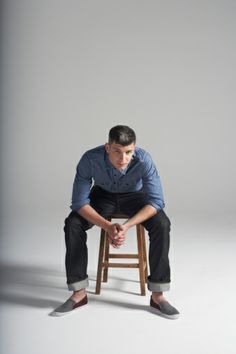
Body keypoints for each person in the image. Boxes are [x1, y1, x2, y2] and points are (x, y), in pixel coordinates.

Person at [51, 125, 180, 319]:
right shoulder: (90, 159)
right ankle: (78, 293)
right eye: (117, 151)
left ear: (134, 149)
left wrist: (126, 226)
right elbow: (78, 202)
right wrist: (108, 226)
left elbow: (156, 201)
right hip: (103, 196)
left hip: (135, 197)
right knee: (73, 224)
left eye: (129, 152)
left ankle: (158, 296)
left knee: (162, 224)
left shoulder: (144, 160)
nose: (123, 158)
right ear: (107, 147)